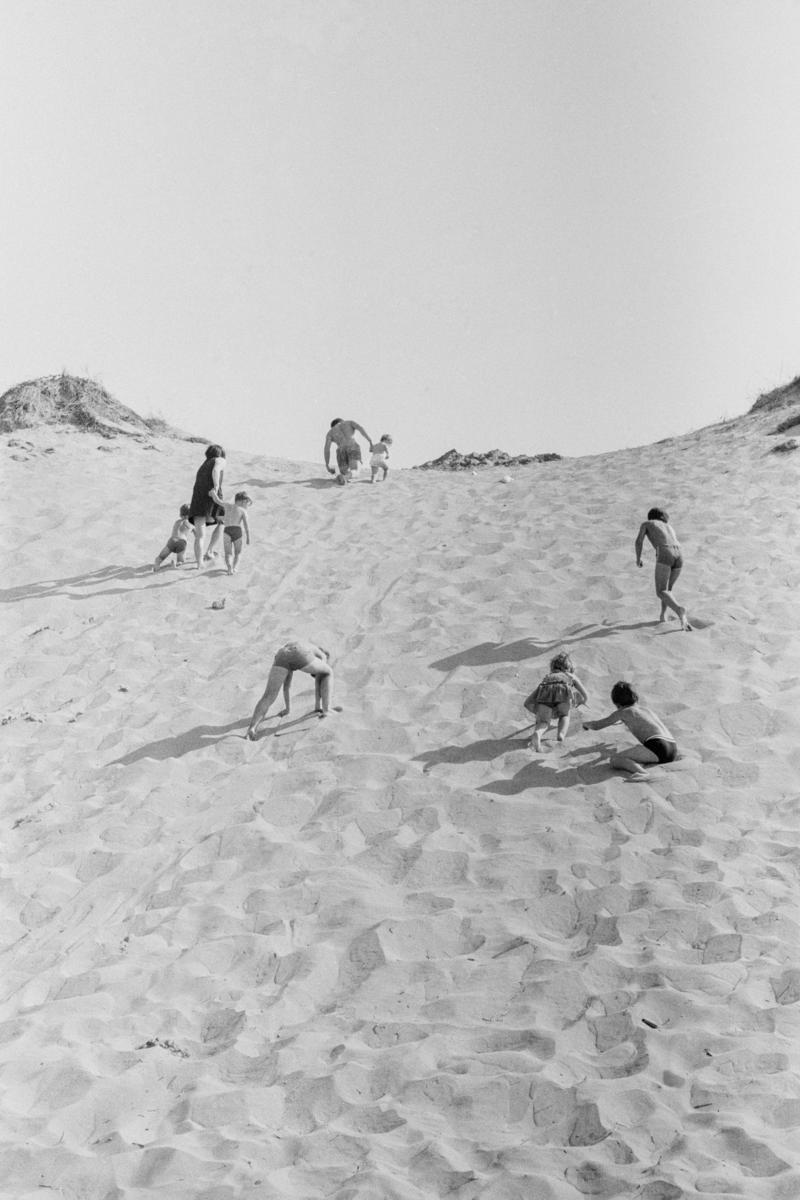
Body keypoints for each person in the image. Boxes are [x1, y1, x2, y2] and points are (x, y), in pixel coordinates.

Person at [583, 681, 678, 781]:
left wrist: (585, 724)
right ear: (635, 697)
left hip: (658, 747)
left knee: (615, 760)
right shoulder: (645, 709)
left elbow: (597, 725)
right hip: (672, 748)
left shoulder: (623, 712)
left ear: (617, 702)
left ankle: (643, 773)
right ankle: (639, 764)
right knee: (637, 750)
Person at [247, 640, 336, 738]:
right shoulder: (321, 654)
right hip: (299, 651)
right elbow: (321, 675)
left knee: (269, 696)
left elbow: (286, 688)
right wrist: (317, 706)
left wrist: (288, 709)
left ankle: (252, 728)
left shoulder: (305, 645)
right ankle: (327, 710)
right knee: (328, 672)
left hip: (281, 654)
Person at [635, 508, 692, 630]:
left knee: (660, 591)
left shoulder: (647, 524)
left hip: (665, 552)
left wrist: (638, 558)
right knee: (667, 590)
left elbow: (639, 541)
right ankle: (663, 616)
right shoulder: (669, 527)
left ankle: (679, 609)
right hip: (680, 553)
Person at [523, 651, 588, 752]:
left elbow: (528, 701)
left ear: (552, 668)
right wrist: (584, 699)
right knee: (564, 715)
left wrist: (539, 712)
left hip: (545, 692)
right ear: (569, 668)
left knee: (544, 722)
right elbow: (583, 691)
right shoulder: (570, 675)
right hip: (563, 693)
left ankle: (538, 733)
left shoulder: (547, 678)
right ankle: (561, 734)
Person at [187, 444, 226, 568]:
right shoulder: (220, 460)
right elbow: (215, 471)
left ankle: (199, 562)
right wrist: (216, 487)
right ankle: (209, 551)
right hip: (212, 495)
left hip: (198, 498)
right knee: (222, 521)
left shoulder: (203, 465)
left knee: (200, 534)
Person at [324, 418, 373, 485]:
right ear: (342, 421)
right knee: (355, 470)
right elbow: (360, 428)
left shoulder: (330, 432)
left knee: (344, 471)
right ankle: (345, 477)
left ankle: (340, 476)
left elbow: (327, 449)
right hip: (352, 446)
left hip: (341, 451)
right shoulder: (349, 422)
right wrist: (370, 441)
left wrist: (327, 464)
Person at [220, 492, 252, 575]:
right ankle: (234, 568)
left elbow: (218, 501)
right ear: (242, 501)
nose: (247, 506)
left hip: (226, 530)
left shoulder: (227, 505)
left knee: (228, 553)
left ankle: (229, 567)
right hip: (237, 531)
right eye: (246, 503)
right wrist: (248, 537)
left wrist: (213, 494)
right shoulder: (243, 511)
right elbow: (246, 525)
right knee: (238, 552)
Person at [153, 503, 191, 571]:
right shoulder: (190, 524)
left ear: (180, 514)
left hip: (172, 540)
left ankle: (157, 563)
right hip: (182, 542)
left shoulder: (177, 522)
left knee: (161, 557)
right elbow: (198, 535)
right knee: (181, 560)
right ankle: (176, 563)